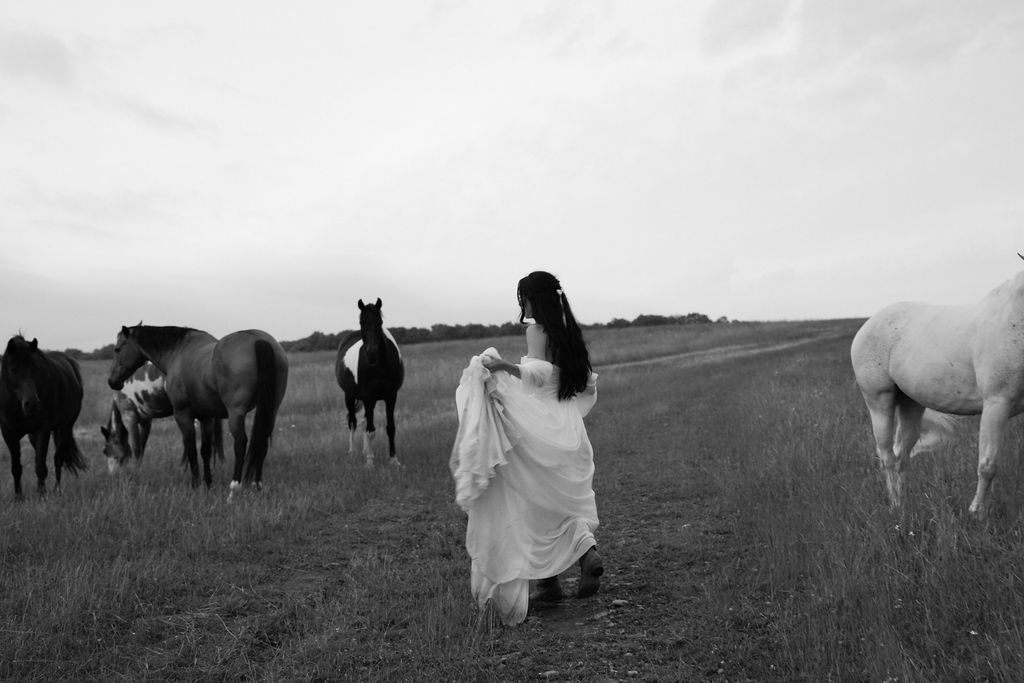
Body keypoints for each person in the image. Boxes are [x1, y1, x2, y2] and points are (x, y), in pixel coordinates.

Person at [450, 270, 603, 625]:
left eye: (524, 298)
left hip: (543, 425)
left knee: (530, 498)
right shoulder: (568, 328)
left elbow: (541, 373)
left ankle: (550, 580)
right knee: (559, 501)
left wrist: (505, 369)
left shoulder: (538, 329)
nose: (524, 305)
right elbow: (576, 380)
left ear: (533, 298)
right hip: (569, 427)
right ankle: (584, 555)